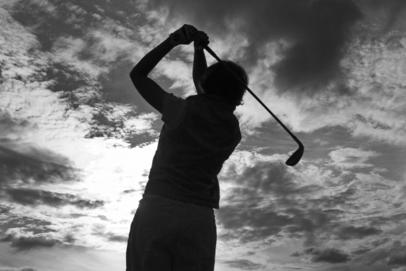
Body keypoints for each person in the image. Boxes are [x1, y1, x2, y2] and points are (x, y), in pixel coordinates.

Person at [126, 24, 249, 271]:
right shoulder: (232, 131)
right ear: (238, 97)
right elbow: (205, 89)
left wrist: (173, 41)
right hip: (199, 220)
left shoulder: (181, 111)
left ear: (206, 84)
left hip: (158, 210)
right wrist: (199, 50)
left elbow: (138, 75)